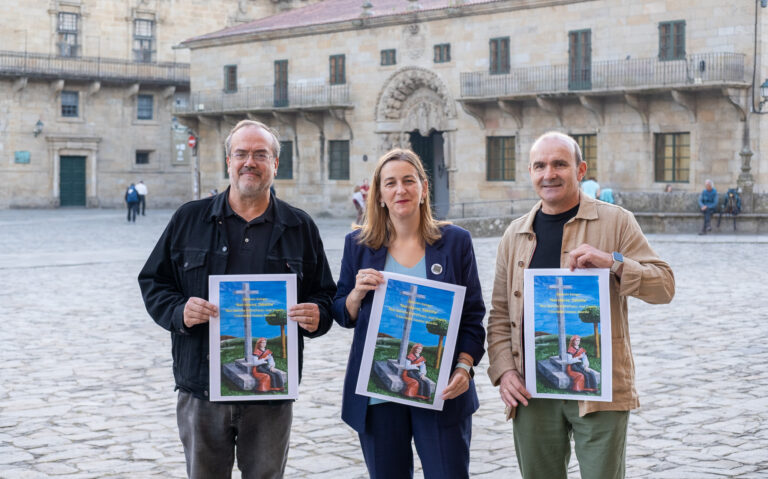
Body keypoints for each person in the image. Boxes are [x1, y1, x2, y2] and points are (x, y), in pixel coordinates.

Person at [138, 119, 336, 479]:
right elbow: (154, 281)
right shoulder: (189, 219)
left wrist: (318, 315)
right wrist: (180, 311)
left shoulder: (300, 226)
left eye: (261, 154)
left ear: (275, 163)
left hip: (270, 398)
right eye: (241, 154)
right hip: (201, 388)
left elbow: (325, 294)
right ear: (228, 161)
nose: (250, 162)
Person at [487, 131, 675, 479]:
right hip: (531, 389)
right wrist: (505, 371)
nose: (549, 174)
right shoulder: (514, 234)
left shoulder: (616, 221)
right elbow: (499, 314)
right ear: (530, 172)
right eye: (540, 166)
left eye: (559, 164)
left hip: (601, 392)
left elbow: (664, 286)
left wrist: (614, 263)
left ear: (581, 170)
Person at [332, 148, 486, 479]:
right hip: (378, 396)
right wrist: (357, 294)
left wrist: (464, 368)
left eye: (408, 181)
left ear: (424, 188)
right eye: (390, 183)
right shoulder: (358, 244)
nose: (400, 190)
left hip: (441, 391)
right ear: (379, 194)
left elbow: (473, 317)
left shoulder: (455, 242)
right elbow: (342, 312)